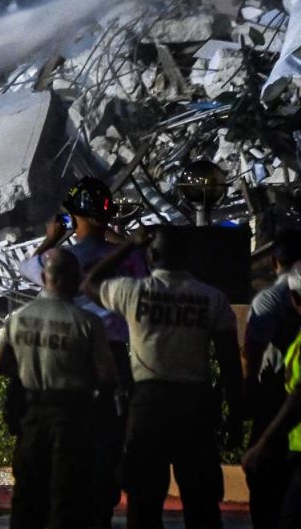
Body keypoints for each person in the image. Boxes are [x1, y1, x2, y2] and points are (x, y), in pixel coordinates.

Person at [84, 226, 243, 529]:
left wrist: (128, 245)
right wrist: (234, 416)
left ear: (152, 255)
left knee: (143, 504)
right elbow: (230, 365)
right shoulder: (213, 299)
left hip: (148, 406)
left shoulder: (134, 292)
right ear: (187, 257)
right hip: (195, 407)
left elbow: (91, 283)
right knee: (202, 504)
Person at [18, 176, 140, 526]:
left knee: (71, 445)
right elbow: (140, 257)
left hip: (70, 361)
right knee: (108, 443)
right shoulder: (128, 260)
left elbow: (29, 266)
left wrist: (52, 237)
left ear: (73, 217)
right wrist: (118, 237)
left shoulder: (61, 260)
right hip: (116, 357)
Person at [0, 249, 116, 529]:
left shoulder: (18, 317)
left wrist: (28, 368)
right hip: (70, 416)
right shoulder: (86, 322)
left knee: (27, 495)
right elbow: (106, 375)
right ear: (73, 279)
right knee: (67, 496)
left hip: (31, 415)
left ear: (45, 277)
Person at [242, 229, 301, 529]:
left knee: (264, 476)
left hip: (276, 395)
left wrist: (249, 386)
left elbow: (253, 349)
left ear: (275, 261)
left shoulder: (269, 299)